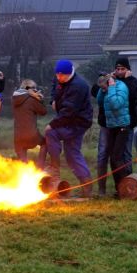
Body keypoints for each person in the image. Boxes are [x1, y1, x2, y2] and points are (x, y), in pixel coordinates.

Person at [45, 59, 93, 196]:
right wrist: (53, 100)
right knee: (72, 154)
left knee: (51, 132)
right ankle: (86, 186)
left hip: (77, 122)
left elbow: (69, 111)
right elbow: (55, 87)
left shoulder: (78, 86)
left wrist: (52, 124)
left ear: (70, 73)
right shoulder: (60, 79)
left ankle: (54, 166)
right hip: (68, 119)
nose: (59, 78)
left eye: (62, 76)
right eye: (57, 75)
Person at [96, 74, 130, 191]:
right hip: (112, 126)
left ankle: (126, 187)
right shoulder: (105, 90)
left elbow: (116, 104)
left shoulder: (121, 87)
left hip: (122, 126)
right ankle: (119, 188)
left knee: (117, 157)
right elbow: (100, 101)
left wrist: (110, 88)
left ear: (110, 82)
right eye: (102, 88)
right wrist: (102, 89)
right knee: (112, 158)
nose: (104, 90)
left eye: (104, 87)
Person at [11, 79, 47, 167]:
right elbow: (43, 111)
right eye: (34, 88)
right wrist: (40, 99)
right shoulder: (31, 99)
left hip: (18, 136)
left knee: (23, 164)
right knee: (46, 144)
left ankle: (25, 175)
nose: (35, 90)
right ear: (29, 89)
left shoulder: (14, 99)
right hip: (32, 135)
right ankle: (40, 168)